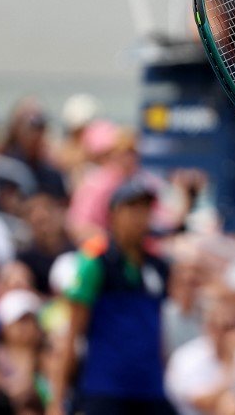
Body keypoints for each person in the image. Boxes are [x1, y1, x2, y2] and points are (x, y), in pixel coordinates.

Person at [49, 175, 173, 415]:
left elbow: (157, 330)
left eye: (145, 209)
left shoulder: (158, 267)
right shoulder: (94, 263)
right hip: (105, 390)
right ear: (113, 214)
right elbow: (72, 334)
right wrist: (57, 401)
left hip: (151, 389)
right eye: (132, 208)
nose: (140, 216)